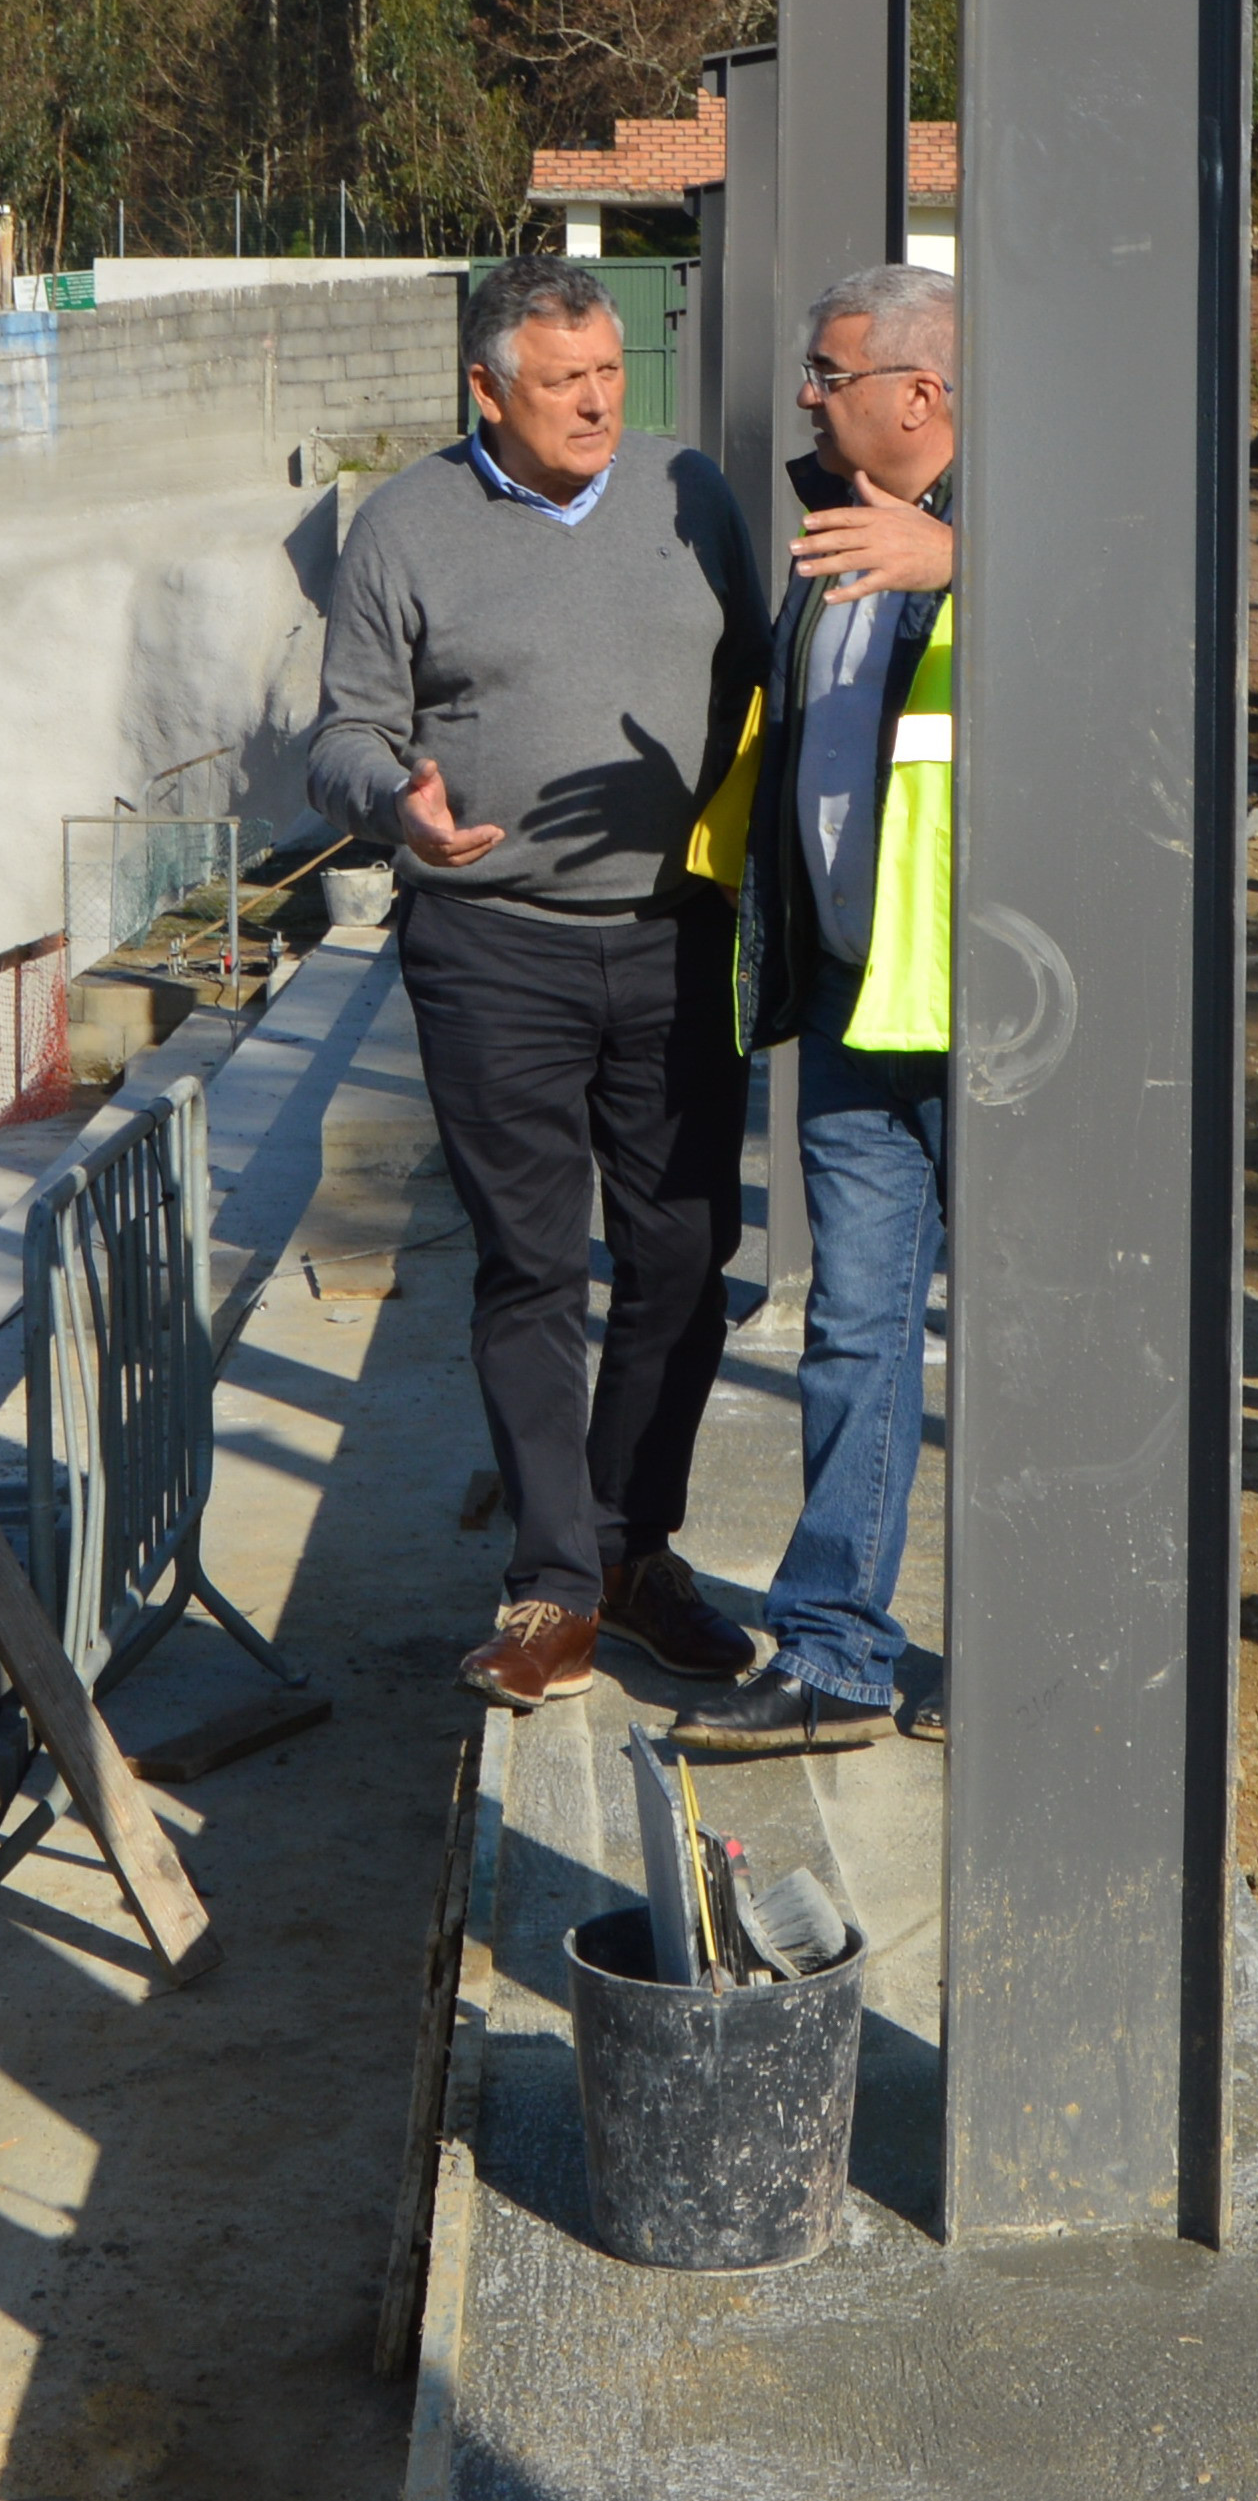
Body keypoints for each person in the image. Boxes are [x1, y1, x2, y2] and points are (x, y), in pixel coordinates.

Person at [310, 253, 770, 1712]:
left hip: (674, 934)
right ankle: (554, 1581)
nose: (593, 400)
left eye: (607, 373)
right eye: (562, 380)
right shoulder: (403, 527)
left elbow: (758, 680)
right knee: (528, 1266)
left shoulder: (687, 491)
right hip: (489, 942)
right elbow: (336, 735)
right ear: (484, 390)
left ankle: (635, 1555)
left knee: (683, 1257)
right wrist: (399, 806)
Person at [666, 263, 958, 1758]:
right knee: (851, 1329)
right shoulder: (826, 540)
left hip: (1005, 1024)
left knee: (1028, 1337)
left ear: (917, 393)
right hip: (860, 1002)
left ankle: (1027, 1642)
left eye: (827, 369)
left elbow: (1134, 655)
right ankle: (838, 1649)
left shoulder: (1007, 534)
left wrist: (964, 560)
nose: (803, 390)